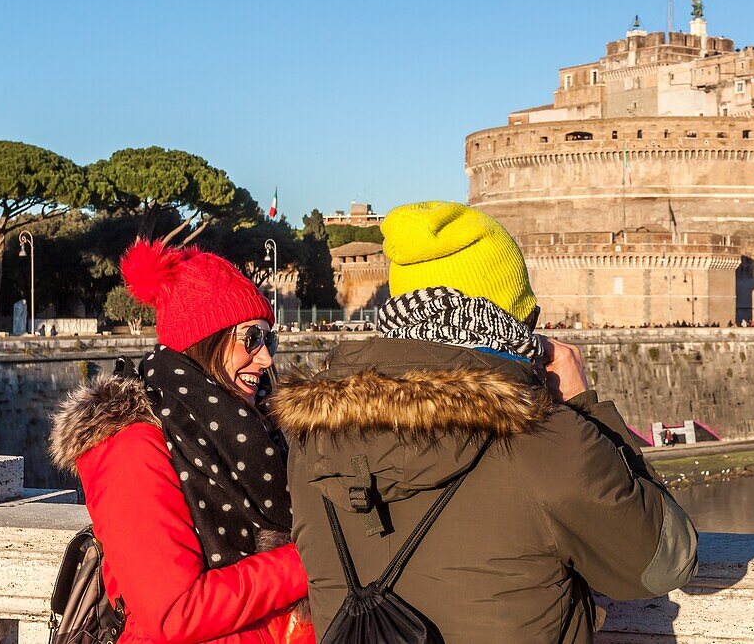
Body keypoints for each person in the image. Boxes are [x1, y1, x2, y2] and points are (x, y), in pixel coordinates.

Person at [273, 201, 697, 643]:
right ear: (513, 322)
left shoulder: (310, 436)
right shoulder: (542, 438)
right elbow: (665, 561)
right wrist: (584, 405)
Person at [50, 240, 312, 644]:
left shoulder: (248, 429)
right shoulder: (133, 447)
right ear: (206, 339)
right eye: (251, 338)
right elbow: (175, 613)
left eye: (269, 340)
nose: (266, 360)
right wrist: (310, 558)